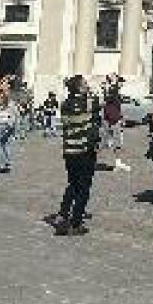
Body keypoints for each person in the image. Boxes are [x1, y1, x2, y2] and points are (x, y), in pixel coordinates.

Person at [52, 76, 100, 236]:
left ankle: (63, 214)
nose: (88, 86)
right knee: (84, 188)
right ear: (79, 88)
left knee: (72, 184)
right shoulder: (89, 102)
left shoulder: (65, 104)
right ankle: (76, 222)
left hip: (69, 150)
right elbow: (97, 104)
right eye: (85, 84)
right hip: (84, 150)